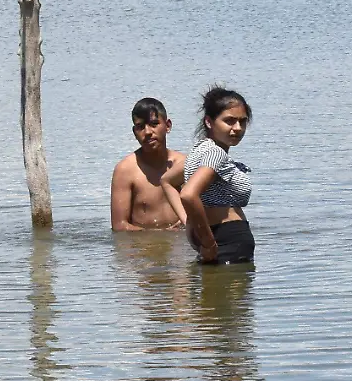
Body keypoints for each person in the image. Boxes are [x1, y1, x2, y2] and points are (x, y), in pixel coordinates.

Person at [166, 86, 256, 265]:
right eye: (229, 121)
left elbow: (167, 181)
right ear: (209, 122)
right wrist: (208, 243)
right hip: (229, 242)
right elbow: (188, 194)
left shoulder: (198, 151)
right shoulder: (216, 154)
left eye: (242, 121)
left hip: (218, 240)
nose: (237, 128)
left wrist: (190, 224)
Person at [109, 97, 187, 231]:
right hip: (144, 247)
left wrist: (187, 222)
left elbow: (203, 209)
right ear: (134, 132)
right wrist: (158, 235)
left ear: (167, 126)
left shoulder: (184, 164)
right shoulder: (125, 170)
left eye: (154, 124)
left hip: (180, 245)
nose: (148, 132)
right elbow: (119, 225)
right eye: (140, 127)